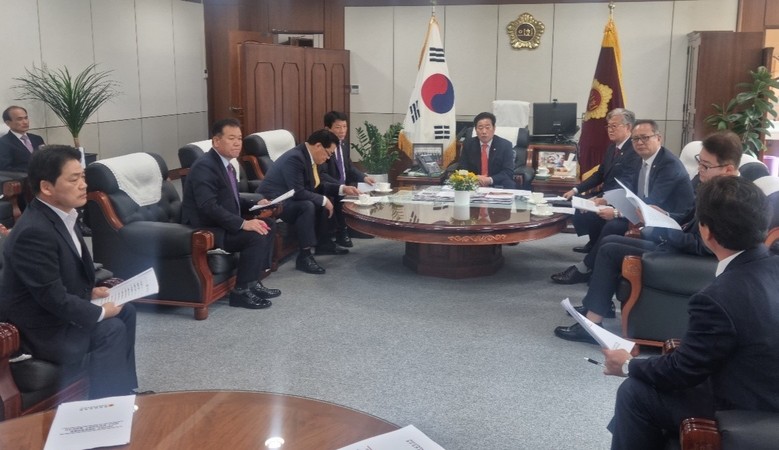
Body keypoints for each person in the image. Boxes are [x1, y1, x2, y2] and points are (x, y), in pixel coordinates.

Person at [602, 175, 779, 450]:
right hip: (765, 383)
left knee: (635, 392)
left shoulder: (717, 297)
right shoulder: (772, 265)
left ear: (706, 232)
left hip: (747, 405)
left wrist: (627, 365)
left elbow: (683, 371)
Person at [554, 131, 743, 343]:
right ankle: (598, 307)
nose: (699, 170)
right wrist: (665, 216)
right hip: (682, 247)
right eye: (700, 162)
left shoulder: (728, 200)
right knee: (610, 241)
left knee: (610, 250)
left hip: (692, 260)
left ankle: (592, 323)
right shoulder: (714, 186)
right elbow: (688, 217)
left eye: (706, 166)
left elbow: (704, 246)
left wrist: (660, 230)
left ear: (728, 169)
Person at [0, 145, 137, 399]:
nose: (83, 185)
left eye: (83, 176)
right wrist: (98, 311)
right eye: (74, 179)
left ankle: (125, 391)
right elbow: (51, 297)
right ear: (47, 187)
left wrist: (90, 292)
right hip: (41, 330)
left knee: (126, 311)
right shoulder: (34, 232)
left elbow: (61, 277)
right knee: (110, 329)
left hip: (55, 312)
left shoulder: (64, 214)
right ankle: (106, 407)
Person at [550, 119, 694, 285]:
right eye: (635, 139)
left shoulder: (668, 164)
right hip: (646, 213)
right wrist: (606, 199)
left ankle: (586, 269)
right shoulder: (641, 160)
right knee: (601, 218)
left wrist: (616, 212)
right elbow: (630, 189)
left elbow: (653, 202)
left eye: (645, 138)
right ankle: (595, 269)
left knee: (613, 226)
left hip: (672, 222)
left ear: (658, 138)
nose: (639, 143)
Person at [181, 118, 280, 310]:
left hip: (220, 223)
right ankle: (240, 292)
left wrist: (255, 203)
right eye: (231, 138)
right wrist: (243, 224)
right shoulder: (205, 166)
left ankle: (253, 282)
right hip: (205, 227)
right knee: (255, 235)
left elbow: (230, 198)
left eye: (240, 138)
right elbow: (208, 206)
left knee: (268, 225)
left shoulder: (226, 164)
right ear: (216, 141)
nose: (237, 143)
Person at [257, 129, 360, 274]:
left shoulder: (311, 157)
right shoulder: (295, 158)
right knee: (307, 205)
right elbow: (298, 192)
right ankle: (304, 257)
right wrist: (323, 200)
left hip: (290, 198)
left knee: (320, 201)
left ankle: (324, 244)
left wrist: (342, 189)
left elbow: (318, 185)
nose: (328, 158)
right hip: (274, 202)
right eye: (328, 153)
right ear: (318, 146)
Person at [563, 108, 640, 254]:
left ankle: (597, 246)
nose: (610, 130)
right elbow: (599, 174)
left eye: (614, 126)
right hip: (608, 193)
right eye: (608, 126)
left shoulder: (634, 151)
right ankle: (594, 242)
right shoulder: (612, 148)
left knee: (590, 210)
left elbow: (626, 183)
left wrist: (602, 199)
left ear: (628, 127)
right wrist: (575, 189)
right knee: (579, 202)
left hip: (623, 198)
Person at [319, 110, 373, 248]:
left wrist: (364, 177)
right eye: (338, 127)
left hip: (343, 184)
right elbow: (321, 174)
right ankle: (342, 232)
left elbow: (349, 167)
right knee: (343, 193)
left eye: (345, 126)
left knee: (363, 190)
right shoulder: (322, 147)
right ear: (327, 129)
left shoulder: (343, 144)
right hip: (327, 186)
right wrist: (341, 187)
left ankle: (352, 228)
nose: (342, 131)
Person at [458, 112, 516, 189]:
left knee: (509, 184)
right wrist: (474, 178)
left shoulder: (505, 145)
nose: (484, 132)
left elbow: (508, 171)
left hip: (496, 182)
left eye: (487, 127)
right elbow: (462, 168)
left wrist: (489, 180)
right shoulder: (468, 144)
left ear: (494, 128)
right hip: (474, 183)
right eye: (480, 128)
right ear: (476, 130)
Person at [0, 106, 45, 172]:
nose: (25, 122)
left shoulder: (37, 138)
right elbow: (5, 168)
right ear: (8, 123)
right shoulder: (3, 142)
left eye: (26, 118)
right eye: (19, 119)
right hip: (22, 177)